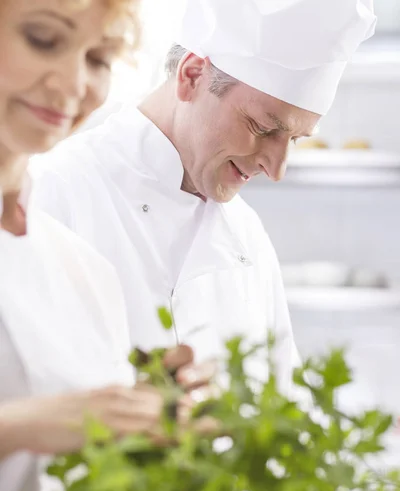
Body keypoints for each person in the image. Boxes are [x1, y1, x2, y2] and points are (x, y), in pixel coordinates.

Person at [32, 0, 376, 387]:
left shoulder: (246, 234)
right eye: (263, 128)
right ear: (192, 75)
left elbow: (284, 401)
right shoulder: (51, 193)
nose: (276, 169)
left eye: (294, 139)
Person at [0, 1, 214, 491]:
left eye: (97, 59)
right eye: (43, 40)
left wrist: (140, 413)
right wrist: (30, 424)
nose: (73, 84)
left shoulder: (80, 269)